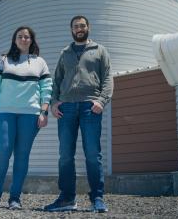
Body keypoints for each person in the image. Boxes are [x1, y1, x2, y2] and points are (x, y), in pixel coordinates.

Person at [44, 15, 113, 213]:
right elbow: (56, 80)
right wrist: (54, 102)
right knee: (65, 155)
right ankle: (67, 198)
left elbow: (108, 78)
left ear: (88, 28)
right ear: (72, 30)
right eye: (76, 26)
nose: (79, 29)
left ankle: (97, 198)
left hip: (90, 107)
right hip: (66, 108)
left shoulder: (99, 50)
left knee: (93, 154)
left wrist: (101, 101)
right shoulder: (65, 53)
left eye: (82, 25)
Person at [0, 26, 52, 210]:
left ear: (32, 40)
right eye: (20, 36)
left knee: (22, 156)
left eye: (27, 37)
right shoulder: (3, 60)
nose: (23, 39)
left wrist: (44, 111)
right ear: (14, 39)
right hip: (4, 112)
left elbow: (47, 89)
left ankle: (15, 198)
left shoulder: (40, 63)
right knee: (2, 153)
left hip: (30, 115)